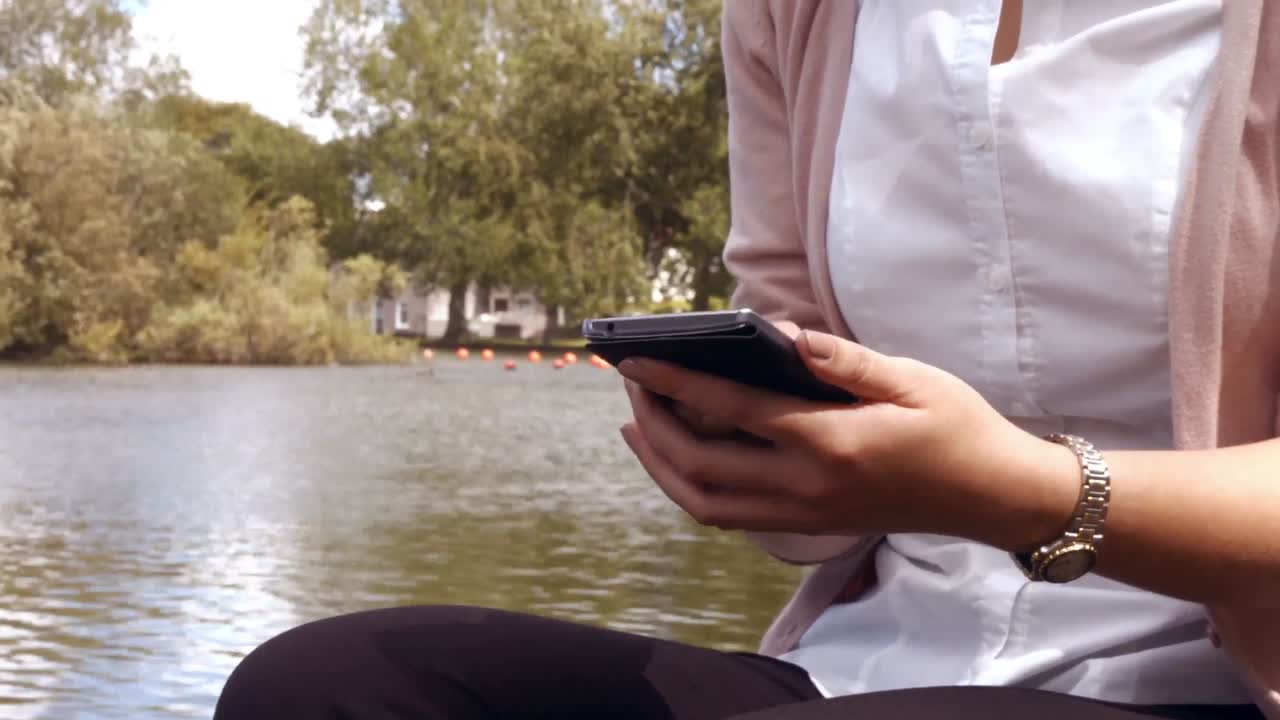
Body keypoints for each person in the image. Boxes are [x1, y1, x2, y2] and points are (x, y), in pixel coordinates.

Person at [213, 1, 1280, 718]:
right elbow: (797, 372)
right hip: (872, 660)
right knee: (321, 687)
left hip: (1209, 676)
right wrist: (755, 452)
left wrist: (1025, 492)